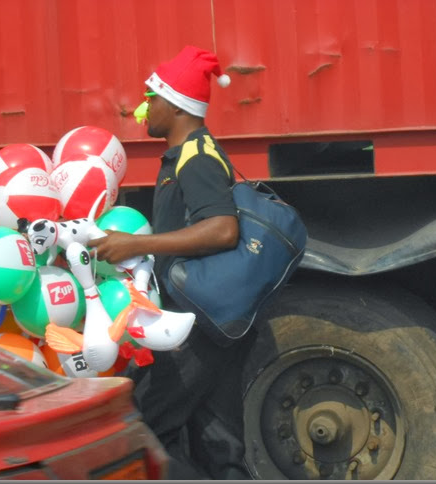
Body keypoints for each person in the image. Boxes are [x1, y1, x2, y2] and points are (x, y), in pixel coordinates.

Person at [89, 46, 254, 480]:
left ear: (176, 105)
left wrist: (133, 246)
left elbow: (222, 229)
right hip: (201, 318)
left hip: (195, 323)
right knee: (216, 444)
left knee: (142, 427)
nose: (143, 107)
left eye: (151, 97)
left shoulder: (196, 157)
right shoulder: (186, 153)